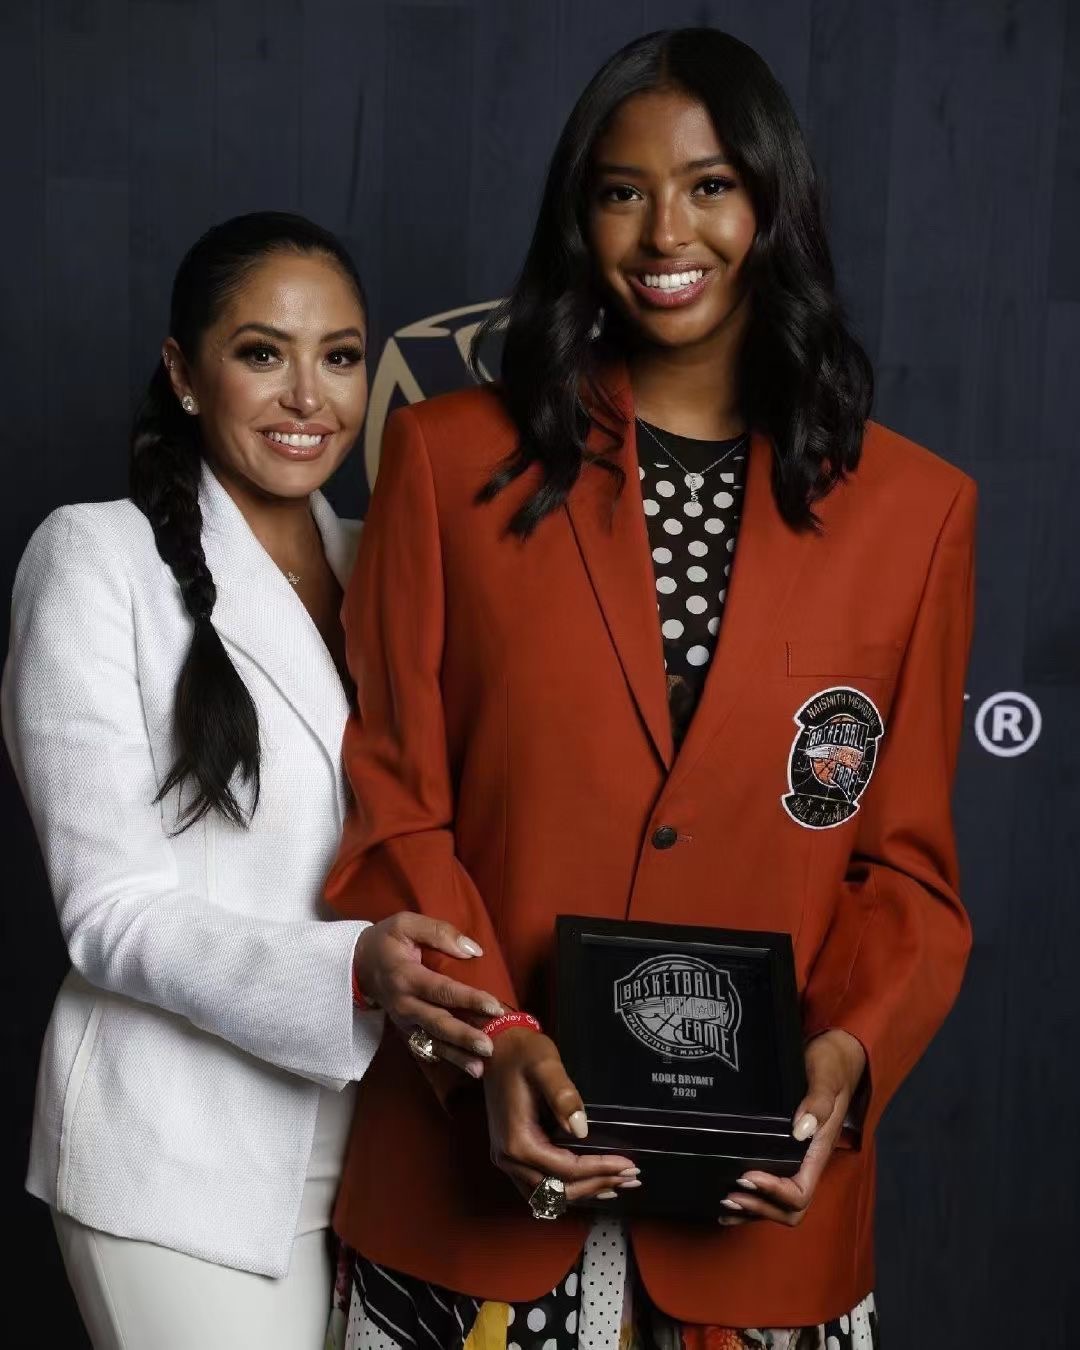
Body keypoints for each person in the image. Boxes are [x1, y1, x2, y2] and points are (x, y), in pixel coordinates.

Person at [325, 28, 975, 1350]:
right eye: (623, 190)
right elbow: (398, 811)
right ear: (580, 218)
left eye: (711, 185)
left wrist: (845, 1060)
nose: (666, 231)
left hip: (760, 1236)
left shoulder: (915, 513)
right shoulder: (445, 464)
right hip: (471, 1213)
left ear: (774, 204)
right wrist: (492, 1038)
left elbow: (905, 873)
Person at [2, 211, 500, 1350]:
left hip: (391, 1161)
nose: (308, 397)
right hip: (176, 1160)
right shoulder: (95, 558)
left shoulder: (385, 560)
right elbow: (109, 912)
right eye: (262, 353)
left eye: (340, 356)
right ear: (185, 374)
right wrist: (355, 971)